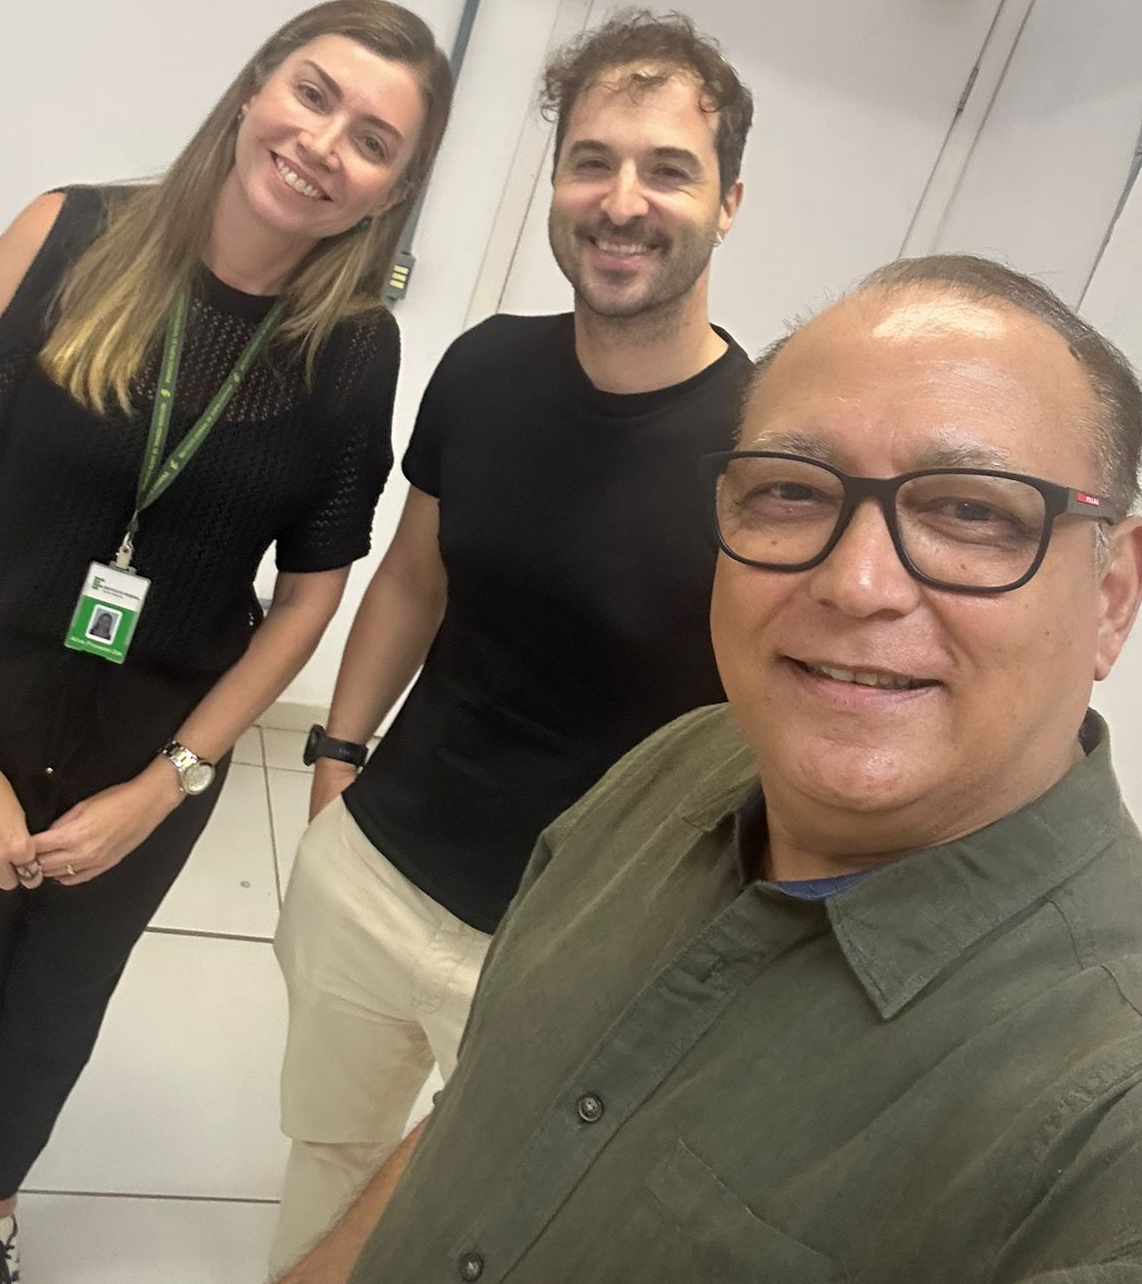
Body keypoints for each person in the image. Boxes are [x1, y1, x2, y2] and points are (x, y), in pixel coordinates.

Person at [277, 254, 1142, 1283]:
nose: (856, 582)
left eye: (972, 511)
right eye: (790, 490)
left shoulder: (1104, 1119)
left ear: (1113, 597)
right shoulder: (682, 761)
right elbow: (490, 1108)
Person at [0, 0, 452, 1283]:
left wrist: (167, 782)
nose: (325, 144)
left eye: (375, 139)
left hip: (156, 739)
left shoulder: (353, 349)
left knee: (63, 994)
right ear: (255, 88)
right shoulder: (66, 235)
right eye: (314, 94)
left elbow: (311, 597)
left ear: (393, 190)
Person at [269, 11, 754, 1271]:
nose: (622, 200)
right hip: (380, 871)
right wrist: (335, 763)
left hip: (579, 941)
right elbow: (411, 578)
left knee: (493, 1235)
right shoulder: (483, 366)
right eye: (592, 161)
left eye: (668, 169)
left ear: (729, 202)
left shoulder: (767, 455)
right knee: (326, 1164)